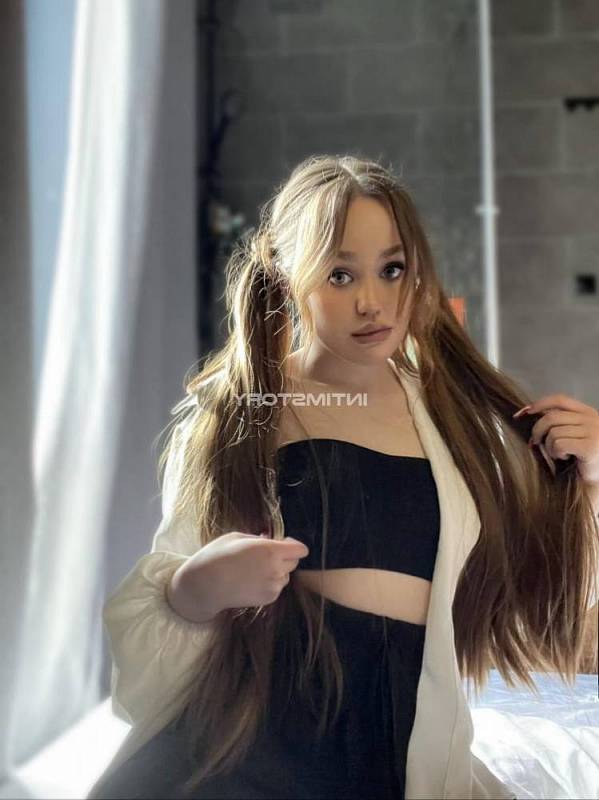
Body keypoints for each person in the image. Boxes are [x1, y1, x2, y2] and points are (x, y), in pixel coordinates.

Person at [87, 155, 599, 800]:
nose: (371, 302)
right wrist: (197, 587)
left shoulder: (458, 418)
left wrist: (590, 479)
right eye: (339, 274)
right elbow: (162, 607)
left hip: (398, 736)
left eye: (392, 269)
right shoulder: (242, 411)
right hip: (254, 731)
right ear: (287, 275)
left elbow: (543, 596)